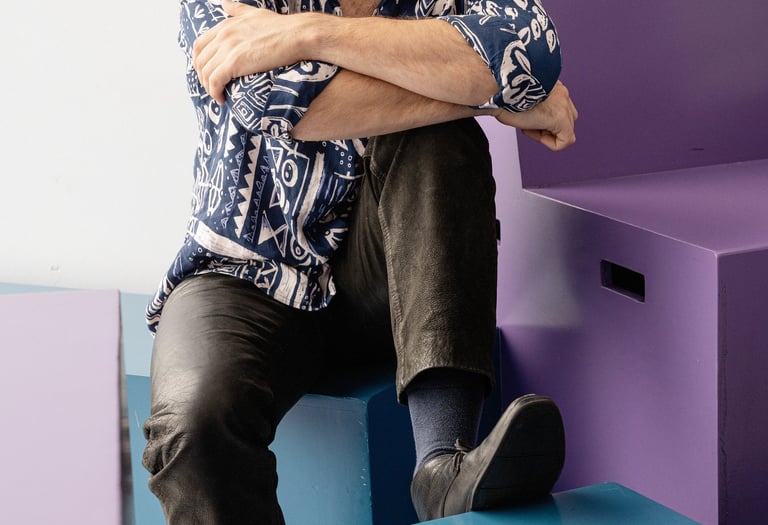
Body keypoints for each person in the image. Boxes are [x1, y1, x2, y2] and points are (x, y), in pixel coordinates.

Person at [141, 0, 578, 523]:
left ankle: (442, 466)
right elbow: (281, 102)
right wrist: (487, 99)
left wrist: (311, 33)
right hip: (245, 268)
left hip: (392, 271)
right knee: (192, 429)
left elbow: (531, 48)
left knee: (436, 137)